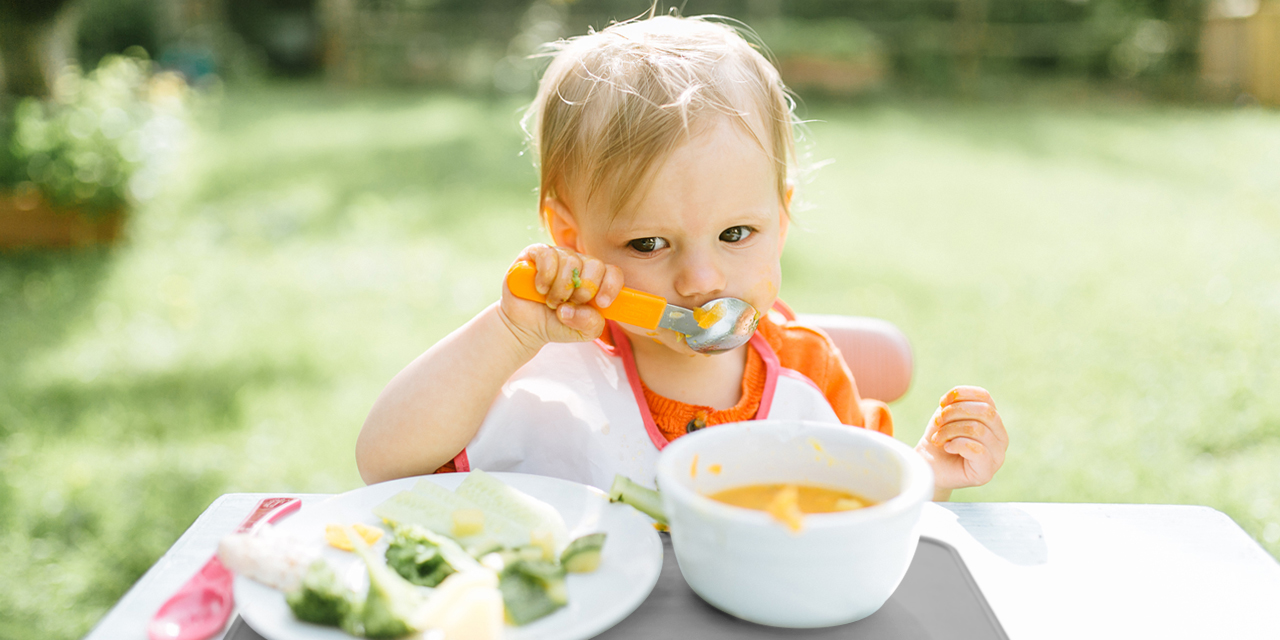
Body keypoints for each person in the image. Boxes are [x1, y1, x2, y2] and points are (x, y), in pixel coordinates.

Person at [356, 13, 1008, 501]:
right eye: (649, 244)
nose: (701, 280)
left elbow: (863, 498)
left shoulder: (809, 375)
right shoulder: (541, 368)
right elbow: (383, 464)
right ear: (570, 236)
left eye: (736, 235)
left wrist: (929, 471)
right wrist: (507, 332)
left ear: (780, 220)